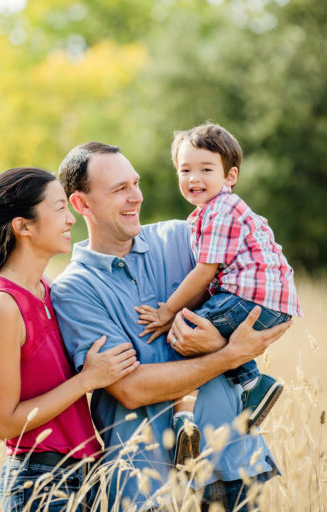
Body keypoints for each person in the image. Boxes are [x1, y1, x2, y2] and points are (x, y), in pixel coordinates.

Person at [51, 143, 290, 511]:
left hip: (233, 464)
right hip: (150, 486)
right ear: (81, 204)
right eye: (119, 189)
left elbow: (270, 295)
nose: (136, 197)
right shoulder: (73, 290)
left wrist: (222, 337)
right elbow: (131, 389)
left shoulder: (183, 238)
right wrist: (228, 355)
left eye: (136, 183)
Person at [0, 167, 140, 512]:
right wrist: (87, 380)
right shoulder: (2, 304)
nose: (71, 219)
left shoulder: (46, 289)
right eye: (59, 208)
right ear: (23, 226)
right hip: (41, 484)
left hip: (84, 478)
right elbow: (5, 422)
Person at [137, 123, 303, 465]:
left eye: (205, 169)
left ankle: (184, 420)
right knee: (199, 331)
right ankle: (252, 383)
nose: (194, 178)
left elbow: (205, 272)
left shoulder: (221, 210)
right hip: (263, 299)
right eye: (185, 170)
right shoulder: (209, 212)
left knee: (185, 332)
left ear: (230, 176)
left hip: (252, 299)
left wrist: (168, 311)